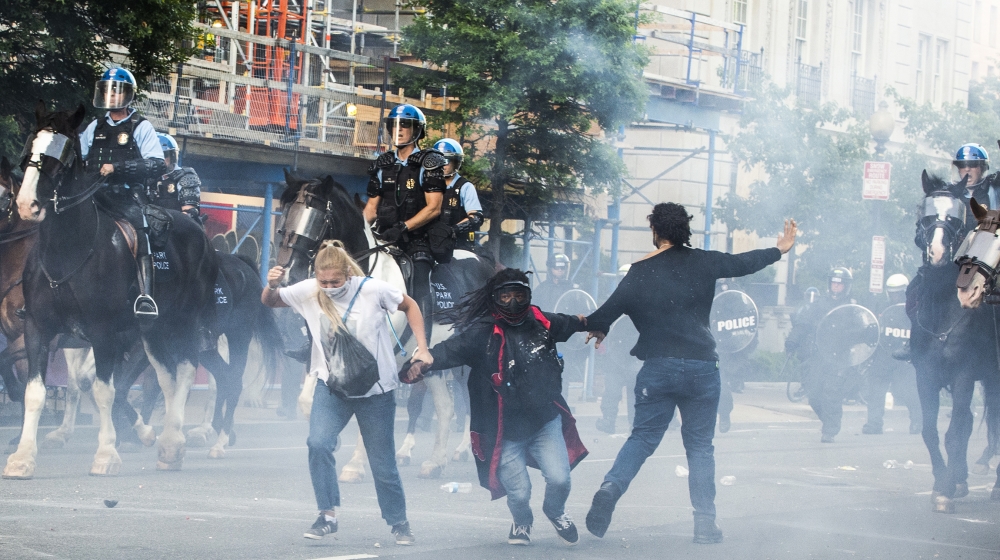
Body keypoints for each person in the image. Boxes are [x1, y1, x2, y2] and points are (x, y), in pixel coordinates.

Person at [581, 202, 797, 544]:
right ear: (686, 230)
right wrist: (779, 249)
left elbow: (607, 311)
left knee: (642, 438)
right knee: (699, 447)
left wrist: (598, 327)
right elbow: (743, 263)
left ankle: (611, 487)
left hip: (658, 369)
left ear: (656, 231)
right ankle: (705, 524)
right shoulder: (704, 261)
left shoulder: (639, 272)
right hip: (701, 368)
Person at [261, 240, 432, 545]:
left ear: (348, 276)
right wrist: (271, 284)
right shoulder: (309, 290)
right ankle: (327, 516)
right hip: (333, 388)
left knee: (382, 463)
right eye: (324, 282)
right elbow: (272, 301)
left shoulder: (371, 289)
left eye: (335, 282)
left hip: (375, 391)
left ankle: (399, 522)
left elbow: (410, 305)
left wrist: (422, 348)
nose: (329, 287)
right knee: (318, 443)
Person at [403, 269, 590, 546]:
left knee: (560, 479)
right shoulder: (482, 332)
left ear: (528, 296)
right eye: (505, 296)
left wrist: (595, 323)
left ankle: (555, 511)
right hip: (504, 428)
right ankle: (522, 522)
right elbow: (447, 350)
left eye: (519, 295)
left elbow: (572, 322)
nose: (513, 302)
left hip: (543, 421)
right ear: (494, 299)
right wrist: (419, 363)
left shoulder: (541, 320)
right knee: (519, 492)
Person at [80, 67, 166, 318]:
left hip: (126, 196)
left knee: (141, 230)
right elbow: (80, 158)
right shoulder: (94, 127)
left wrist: (117, 168)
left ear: (128, 95)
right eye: (107, 90)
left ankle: (145, 295)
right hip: (92, 195)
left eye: (117, 91)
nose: (112, 96)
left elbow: (156, 163)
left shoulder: (141, 126)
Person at [363, 104, 446, 325]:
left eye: (405, 126)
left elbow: (434, 208)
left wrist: (403, 227)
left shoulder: (430, 163)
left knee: (419, 281)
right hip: (384, 237)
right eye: (394, 125)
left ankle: (423, 343)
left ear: (417, 130)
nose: (398, 130)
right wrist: (361, 229)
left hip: (418, 241)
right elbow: (371, 208)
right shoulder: (383, 164)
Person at [784, 267, 860, 443]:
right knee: (814, 394)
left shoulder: (853, 307)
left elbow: (863, 330)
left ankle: (830, 430)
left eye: (839, 284)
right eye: (833, 283)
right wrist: (792, 341)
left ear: (846, 286)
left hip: (840, 357)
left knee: (832, 393)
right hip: (819, 355)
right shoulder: (818, 304)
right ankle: (828, 420)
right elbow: (803, 325)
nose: (836, 287)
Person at [862, 273, 922, 435]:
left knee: (908, 391)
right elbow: (873, 328)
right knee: (875, 390)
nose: (894, 296)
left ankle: (917, 422)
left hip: (904, 357)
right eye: (892, 293)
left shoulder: (915, 309)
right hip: (883, 355)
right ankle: (874, 423)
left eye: (898, 293)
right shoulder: (881, 307)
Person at [433, 138, 484, 251]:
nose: (442, 165)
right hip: (431, 242)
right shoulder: (428, 186)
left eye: (446, 160)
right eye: (438, 160)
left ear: (456, 162)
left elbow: (476, 219)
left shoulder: (465, 187)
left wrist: (452, 231)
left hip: (458, 245)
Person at [152, 133, 202, 220]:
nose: (161, 159)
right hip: (154, 226)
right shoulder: (149, 179)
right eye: (157, 156)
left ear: (172, 156)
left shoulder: (185, 177)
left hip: (179, 226)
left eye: (164, 155)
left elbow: (189, 212)